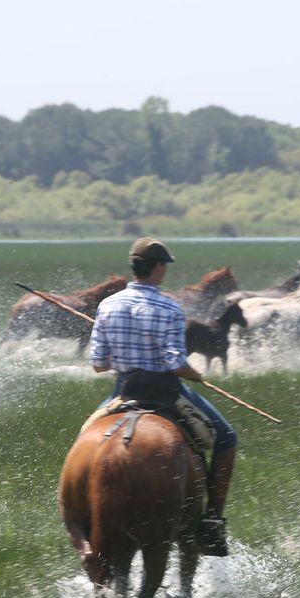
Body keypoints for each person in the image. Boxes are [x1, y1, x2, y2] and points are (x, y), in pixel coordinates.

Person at [88, 237, 237, 556]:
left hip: (124, 389)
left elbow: (99, 364)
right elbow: (174, 363)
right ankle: (211, 521)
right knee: (226, 438)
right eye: (164, 265)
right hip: (166, 392)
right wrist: (194, 373)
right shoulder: (169, 306)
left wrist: (128, 356)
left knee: (86, 442)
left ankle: (87, 519)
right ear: (158, 267)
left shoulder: (107, 305)